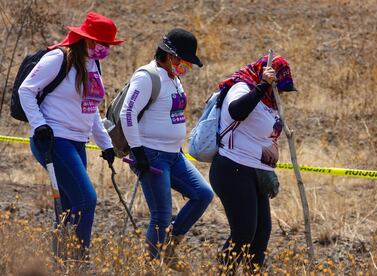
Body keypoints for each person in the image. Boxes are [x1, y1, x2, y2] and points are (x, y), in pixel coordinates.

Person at [19, 12, 123, 257]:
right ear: (88, 40)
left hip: (77, 142)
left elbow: (92, 109)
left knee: (66, 209)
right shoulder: (58, 58)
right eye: (103, 44)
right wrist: (39, 124)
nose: (106, 49)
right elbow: (26, 90)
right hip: (54, 140)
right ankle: (79, 260)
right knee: (86, 199)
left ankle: (58, 262)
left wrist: (106, 144)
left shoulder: (92, 64)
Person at [119, 28, 214, 268]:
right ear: (170, 55)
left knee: (203, 194)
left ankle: (170, 246)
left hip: (174, 155)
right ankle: (149, 267)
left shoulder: (173, 78)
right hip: (151, 155)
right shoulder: (147, 76)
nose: (187, 67)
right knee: (161, 215)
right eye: (184, 61)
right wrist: (138, 151)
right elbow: (127, 113)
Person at [209, 54, 297, 273]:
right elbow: (236, 111)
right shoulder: (242, 87)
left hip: (255, 173)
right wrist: (261, 86)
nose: (281, 94)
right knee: (243, 234)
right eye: (279, 87)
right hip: (232, 169)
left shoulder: (269, 101)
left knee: (260, 236)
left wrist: (269, 169)